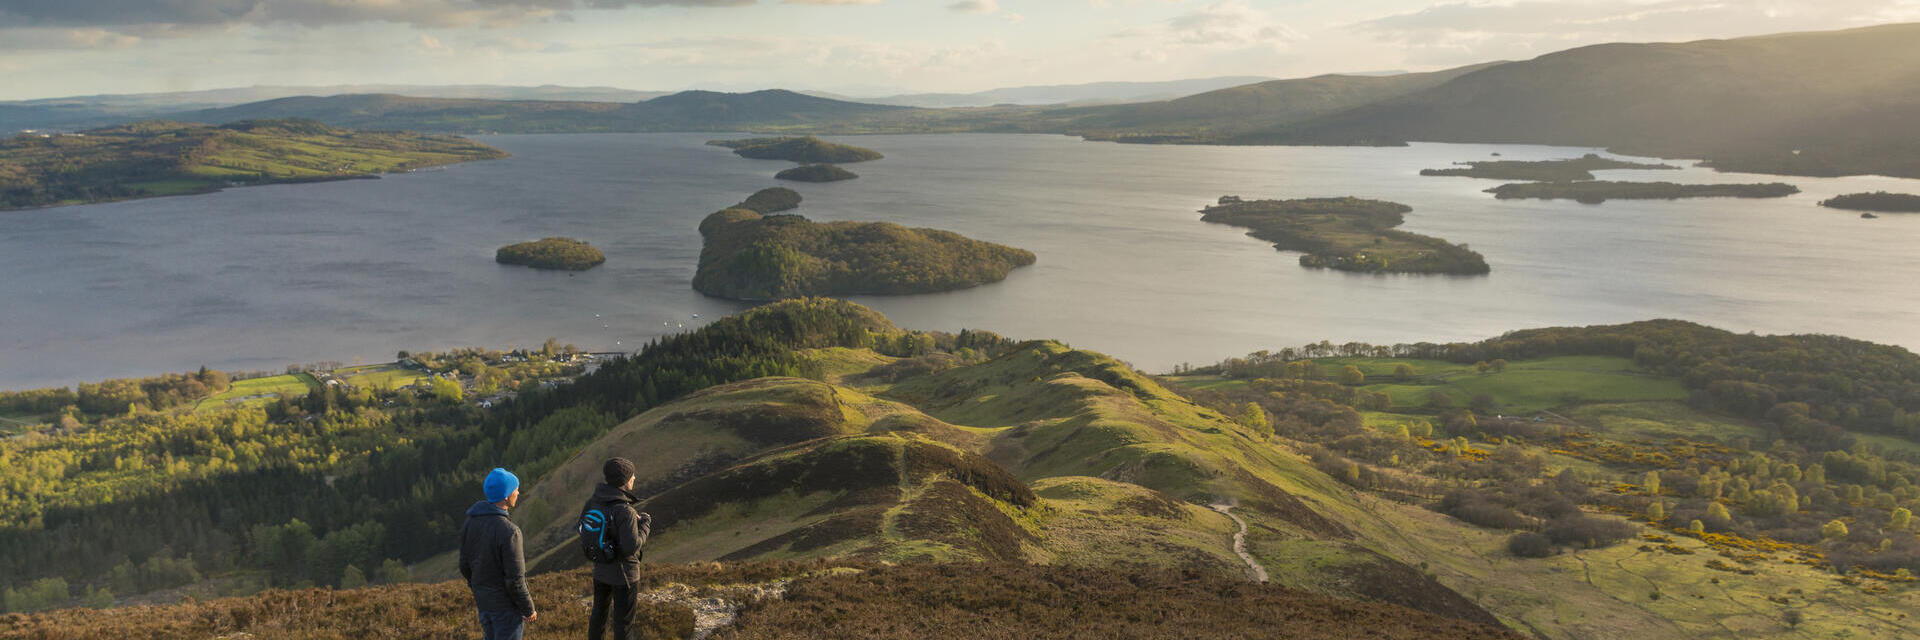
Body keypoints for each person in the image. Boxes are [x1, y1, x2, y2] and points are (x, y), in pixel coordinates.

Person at [461, 467, 537, 640]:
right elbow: (515, 580)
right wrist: (528, 608)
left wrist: (478, 588)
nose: (518, 492)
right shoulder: (510, 532)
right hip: (506, 608)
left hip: (484, 603)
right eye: (515, 489)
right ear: (506, 496)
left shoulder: (471, 522)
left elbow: (464, 565)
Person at [585, 457, 652, 640]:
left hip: (600, 569)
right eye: (632, 475)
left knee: (598, 616)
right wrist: (645, 524)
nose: (634, 478)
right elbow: (631, 547)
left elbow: (584, 528)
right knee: (623, 624)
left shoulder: (593, 502)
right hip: (625, 575)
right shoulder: (624, 510)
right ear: (624, 481)